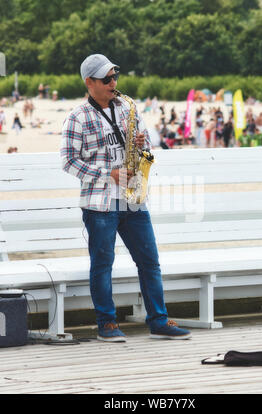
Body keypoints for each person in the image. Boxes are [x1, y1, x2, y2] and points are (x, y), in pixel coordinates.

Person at [61, 53, 192, 342]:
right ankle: (106, 324)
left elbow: (146, 142)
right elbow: (69, 162)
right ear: (89, 82)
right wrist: (108, 173)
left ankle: (158, 320)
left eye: (114, 77)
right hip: (100, 203)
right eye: (106, 79)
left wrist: (143, 143)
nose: (113, 83)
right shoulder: (77, 117)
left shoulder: (127, 108)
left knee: (150, 262)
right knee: (102, 264)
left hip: (133, 198)